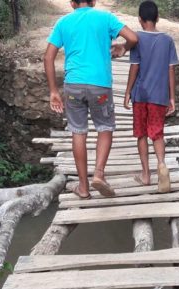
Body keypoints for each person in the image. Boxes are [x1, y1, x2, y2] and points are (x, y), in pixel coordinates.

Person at [44, 0, 138, 199]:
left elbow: (48, 57)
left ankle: (83, 188)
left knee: (78, 132)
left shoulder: (63, 22)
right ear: (94, 1)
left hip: (73, 86)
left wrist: (53, 91)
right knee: (104, 127)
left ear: (71, 3)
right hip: (100, 85)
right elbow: (133, 37)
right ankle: (99, 174)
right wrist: (123, 48)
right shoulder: (105, 18)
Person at [123, 0, 178, 193]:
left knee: (141, 134)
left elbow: (134, 67)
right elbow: (171, 70)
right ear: (157, 18)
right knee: (157, 133)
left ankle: (146, 175)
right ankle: (162, 165)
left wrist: (127, 92)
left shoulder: (137, 39)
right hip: (159, 96)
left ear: (139, 19)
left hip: (141, 95)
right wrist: (172, 97)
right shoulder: (168, 40)